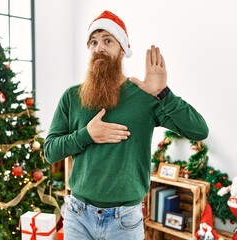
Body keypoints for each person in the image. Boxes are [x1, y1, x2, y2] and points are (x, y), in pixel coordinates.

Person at [44, 10, 208, 240]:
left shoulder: (145, 96)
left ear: (122, 49)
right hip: (77, 216)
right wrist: (87, 134)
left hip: (124, 221)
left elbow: (199, 131)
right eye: (93, 42)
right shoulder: (72, 97)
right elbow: (50, 151)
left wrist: (163, 93)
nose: (98, 48)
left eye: (107, 40)